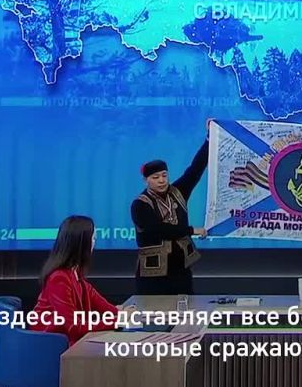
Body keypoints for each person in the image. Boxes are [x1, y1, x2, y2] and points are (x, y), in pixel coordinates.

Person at [131, 121, 212, 295]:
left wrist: (209, 138)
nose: (161, 180)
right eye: (155, 177)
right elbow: (158, 230)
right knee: (154, 311)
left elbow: (195, 169)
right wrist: (192, 230)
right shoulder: (140, 204)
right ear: (146, 180)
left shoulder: (178, 191)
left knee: (185, 309)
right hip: (153, 275)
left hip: (181, 269)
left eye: (164, 175)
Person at [29, 215, 124, 345]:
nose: (94, 243)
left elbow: (104, 306)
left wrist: (123, 313)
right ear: (82, 243)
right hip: (48, 344)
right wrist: (118, 320)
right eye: (93, 238)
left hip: (65, 342)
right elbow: (75, 327)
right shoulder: (58, 279)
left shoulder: (76, 275)